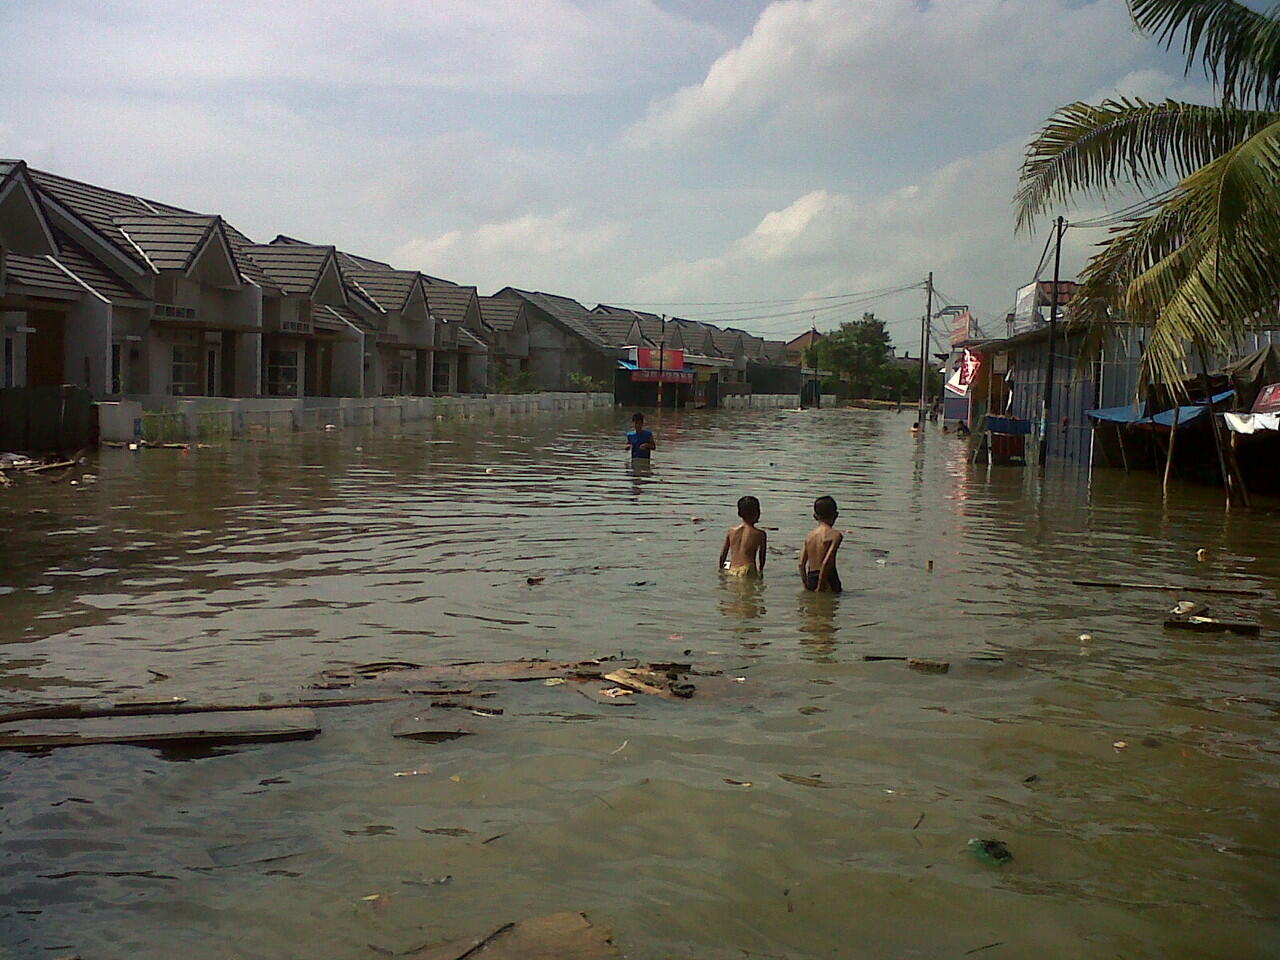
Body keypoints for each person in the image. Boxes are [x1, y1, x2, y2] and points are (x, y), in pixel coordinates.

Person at [799, 496, 843, 592]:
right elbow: (826, 563)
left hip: (811, 577)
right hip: (827, 577)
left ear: (815, 516)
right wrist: (821, 584)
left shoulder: (809, 536)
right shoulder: (835, 535)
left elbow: (801, 564)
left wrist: (805, 584)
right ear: (836, 515)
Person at [718, 495, 767, 577]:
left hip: (732, 569)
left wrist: (721, 568)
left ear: (739, 513)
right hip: (748, 570)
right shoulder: (760, 534)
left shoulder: (731, 531)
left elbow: (723, 554)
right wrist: (760, 574)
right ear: (757, 513)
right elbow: (762, 559)